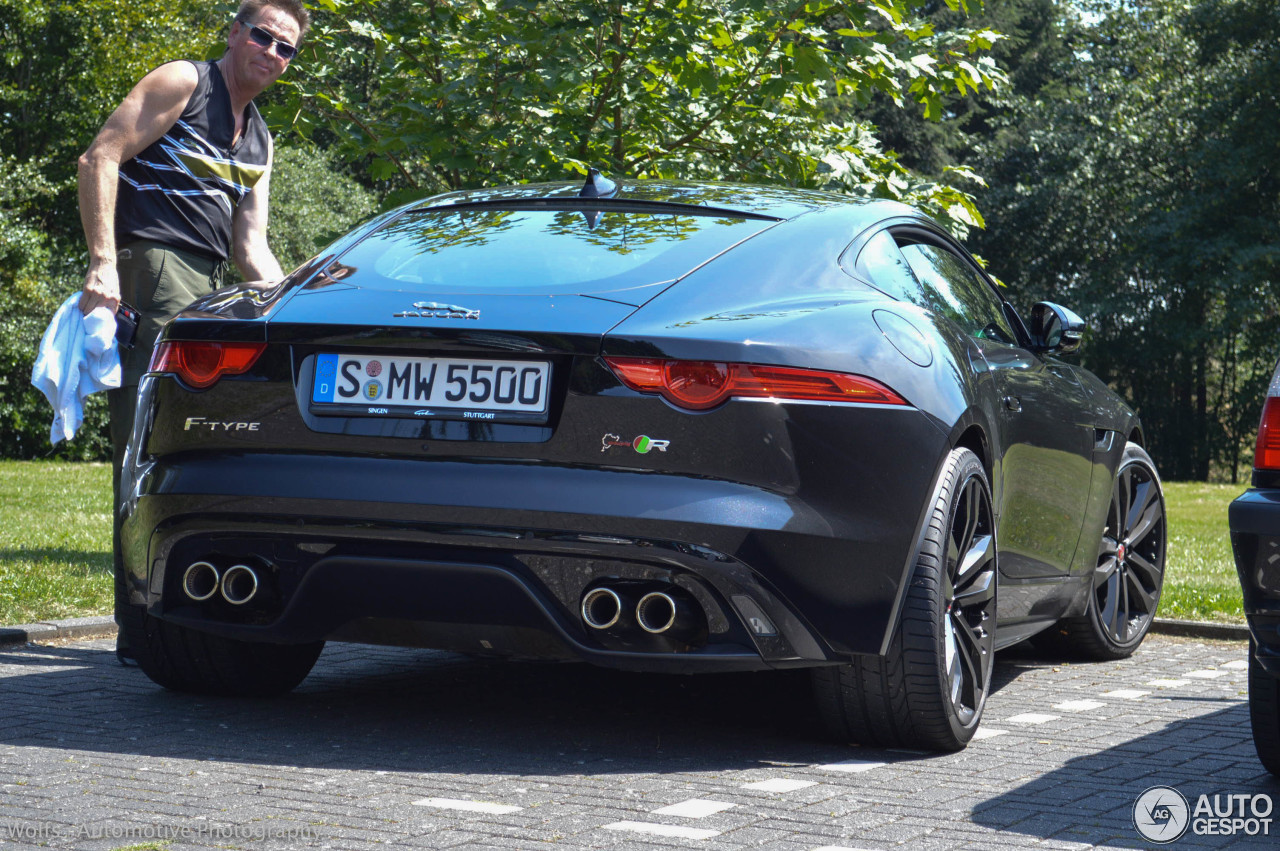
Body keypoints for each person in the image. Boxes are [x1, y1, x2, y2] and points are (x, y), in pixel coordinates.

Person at [76, 0, 310, 662]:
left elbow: (252, 247)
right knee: (149, 443)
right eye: (262, 35)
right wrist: (103, 265)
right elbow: (100, 157)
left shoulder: (260, 139)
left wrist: (293, 309)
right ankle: (141, 621)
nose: (271, 51)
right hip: (154, 263)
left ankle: (183, 601)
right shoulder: (186, 81)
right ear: (235, 32)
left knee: (207, 443)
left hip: (214, 287)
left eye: (285, 47)